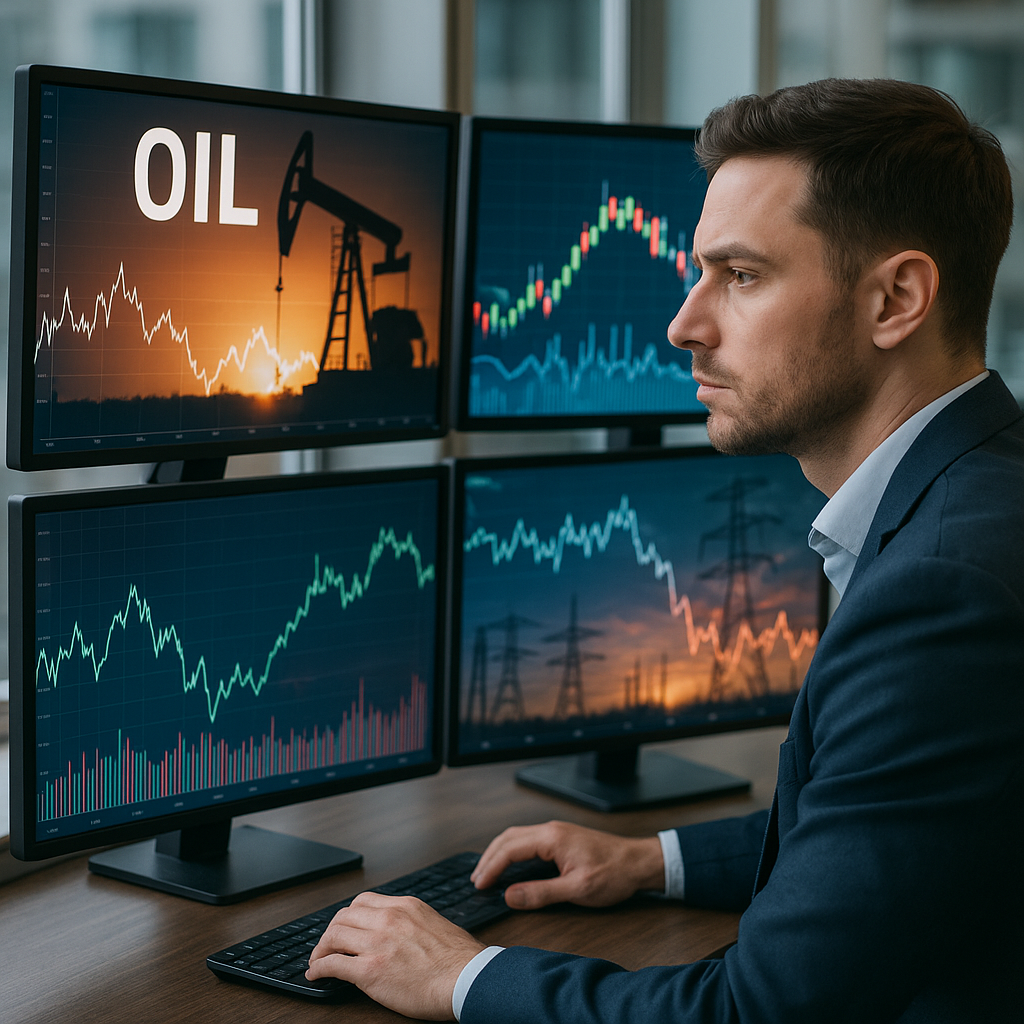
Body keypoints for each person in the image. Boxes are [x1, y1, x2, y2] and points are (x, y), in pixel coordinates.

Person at [306, 78, 1024, 1023]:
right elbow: (891, 829)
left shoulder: (940, 588)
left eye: (742, 275)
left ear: (897, 299)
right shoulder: (983, 491)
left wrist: (459, 977)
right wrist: (652, 861)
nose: (684, 323)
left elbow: (753, 1013)